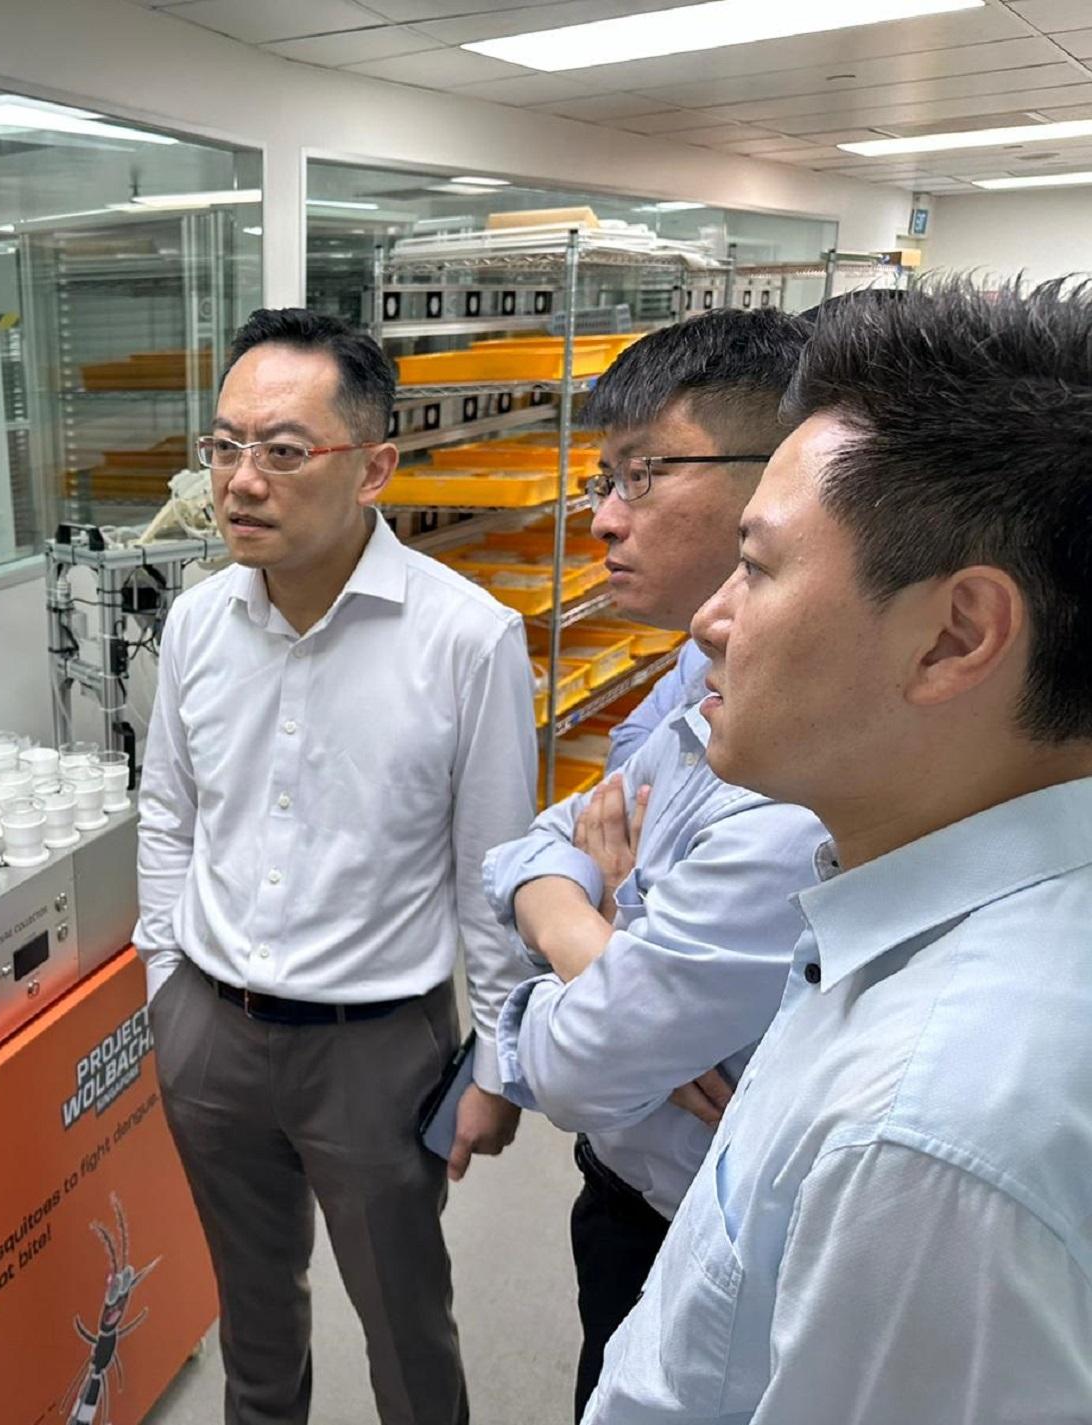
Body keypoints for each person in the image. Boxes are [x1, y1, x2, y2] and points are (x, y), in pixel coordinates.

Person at [587, 277, 1092, 1422]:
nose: (712, 620)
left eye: (756, 568)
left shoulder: (925, 1138)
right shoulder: (914, 908)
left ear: (954, 635)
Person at [136, 308, 536, 1425]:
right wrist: (164, 981)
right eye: (223, 446)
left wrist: (499, 1058)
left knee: (406, 1326)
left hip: (376, 1050)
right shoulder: (198, 623)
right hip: (210, 1031)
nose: (239, 482)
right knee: (252, 1321)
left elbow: (492, 868)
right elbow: (168, 811)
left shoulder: (468, 639)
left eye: (282, 450)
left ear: (374, 468)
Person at [479, 310, 825, 1420]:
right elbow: (539, 844)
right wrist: (601, 937)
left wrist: (591, 949)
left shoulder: (799, 767)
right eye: (598, 481)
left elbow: (581, 1064)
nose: (601, 522)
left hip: (707, 1212)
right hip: (627, 1184)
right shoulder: (693, 666)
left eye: (640, 477)